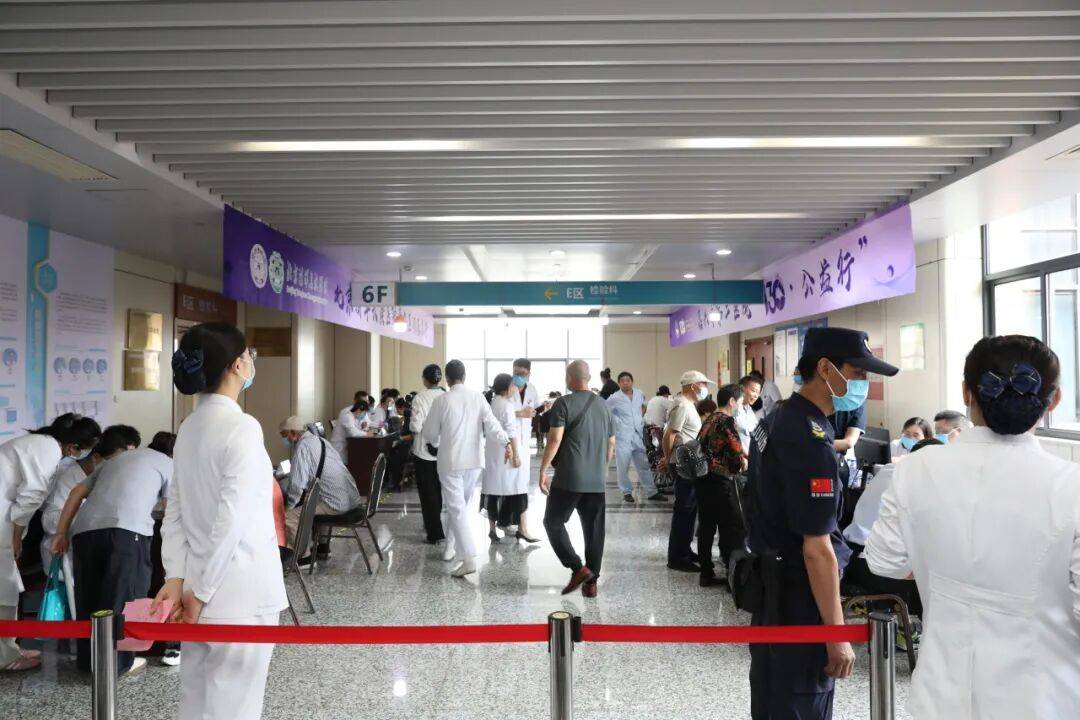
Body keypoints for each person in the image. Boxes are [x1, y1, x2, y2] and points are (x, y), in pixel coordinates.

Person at [866, 335, 1080, 718]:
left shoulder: (916, 468)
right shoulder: (1070, 486)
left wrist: (938, 559)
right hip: (1042, 698)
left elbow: (885, 562)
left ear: (966, 393)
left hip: (940, 695)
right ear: (1055, 401)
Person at [745, 326, 898, 720]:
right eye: (858, 373)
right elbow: (817, 548)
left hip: (773, 590)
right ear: (826, 369)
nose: (863, 383)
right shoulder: (809, 440)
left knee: (773, 701)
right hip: (800, 599)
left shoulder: (778, 419)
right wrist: (836, 633)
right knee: (800, 702)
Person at [153, 322, 288, 720]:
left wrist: (177, 578)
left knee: (196, 705)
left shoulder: (189, 427)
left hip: (195, 588)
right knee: (235, 708)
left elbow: (174, 512)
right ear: (236, 366)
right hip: (238, 593)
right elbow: (232, 522)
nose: (251, 362)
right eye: (248, 355)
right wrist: (200, 592)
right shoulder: (242, 427)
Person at [51, 435, 175, 676]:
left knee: (89, 596)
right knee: (124, 595)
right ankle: (117, 665)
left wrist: (61, 533)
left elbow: (76, 492)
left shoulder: (117, 459)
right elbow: (171, 510)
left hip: (84, 531)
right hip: (127, 531)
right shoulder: (168, 464)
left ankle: (89, 663)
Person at [0, 413, 100, 672]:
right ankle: (6, 655)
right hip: (2, 517)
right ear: (74, 447)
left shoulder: (41, 443)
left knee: (5, 584)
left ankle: (8, 648)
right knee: (5, 586)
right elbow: (31, 496)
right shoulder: (47, 449)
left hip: (5, 512)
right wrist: (16, 538)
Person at [422, 360, 512, 578]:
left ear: (447, 379)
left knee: (456, 508)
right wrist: (506, 442)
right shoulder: (477, 397)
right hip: (473, 461)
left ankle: (469, 558)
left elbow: (430, 433)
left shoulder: (442, 400)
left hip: (450, 461)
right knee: (460, 507)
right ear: (464, 376)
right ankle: (450, 547)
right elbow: (492, 424)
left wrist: (435, 442)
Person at [539, 360, 615, 598]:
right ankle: (591, 584)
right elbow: (611, 443)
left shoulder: (563, 403)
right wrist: (601, 468)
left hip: (569, 478)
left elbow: (554, 440)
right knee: (594, 531)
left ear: (569, 378)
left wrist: (543, 470)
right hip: (596, 480)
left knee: (553, 522)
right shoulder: (604, 405)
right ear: (588, 378)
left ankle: (577, 567)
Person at [278, 416, 363, 554]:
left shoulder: (302, 447)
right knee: (317, 501)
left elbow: (297, 486)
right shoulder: (321, 441)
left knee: (290, 517)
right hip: (352, 499)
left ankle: (300, 557)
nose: (284, 439)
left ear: (293, 433)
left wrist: (289, 507)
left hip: (338, 504)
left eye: (284, 435)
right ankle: (322, 547)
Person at [695, 384, 747, 587]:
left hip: (703, 478)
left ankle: (706, 572)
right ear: (732, 402)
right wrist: (741, 463)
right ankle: (733, 573)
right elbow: (735, 449)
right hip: (720, 479)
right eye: (740, 403)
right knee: (730, 526)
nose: (740, 407)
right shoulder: (726, 420)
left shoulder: (710, 418)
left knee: (706, 527)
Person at [664, 370, 715, 572]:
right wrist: (669, 461)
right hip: (683, 465)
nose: (705, 388)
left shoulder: (689, 405)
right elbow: (670, 435)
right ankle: (677, 558)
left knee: (690, 510)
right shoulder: (682, 405)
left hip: (690, 465)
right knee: (684, 511)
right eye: (703, 384)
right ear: (693, 386)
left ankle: (684, 549)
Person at [482, 374, 538, 543]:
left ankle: (492, 529)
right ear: (507, 388)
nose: (516, 389)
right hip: (507, 453)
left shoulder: (494, 402)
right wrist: (516, 455)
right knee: (518, 489)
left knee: (493, 490)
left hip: (494, 453)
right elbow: (511, 433)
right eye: (514, 385)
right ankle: (522, 528)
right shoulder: (506, 405)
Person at [606, 371, 666, 504]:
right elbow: (606, 411)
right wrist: (617, 422)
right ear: (619, 383)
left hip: (637, 434)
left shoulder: (639, 393)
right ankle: (626, 492)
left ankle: (652, 492)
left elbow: (643, 406)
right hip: (623, 436)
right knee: (623, 466)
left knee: (643, 464)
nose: (625, 382)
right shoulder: (614, 398)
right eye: (622, 381)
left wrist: (640, 418)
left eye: (628, 380)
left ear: (632, 382)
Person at [411, 364, 446, 545]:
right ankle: (436, 524)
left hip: (423, 452)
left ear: (425, 379)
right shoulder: (445, 395)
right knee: (438, 491)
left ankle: (434, 533)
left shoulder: (420, 397)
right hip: (443, 451)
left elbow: (416, 426)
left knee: (427, 493)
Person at [510, 358, 542, 516]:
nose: (518, 376)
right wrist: (519, 414)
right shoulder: (506, 388)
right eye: (516, 372)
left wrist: (539, 410)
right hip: (509, 438)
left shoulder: (532, 389)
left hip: (524, 438)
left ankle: (520, 515)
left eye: (522, 374)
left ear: (529, 374)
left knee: (523, 478)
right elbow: (499, 412)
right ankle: (509, 515)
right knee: (510, 477)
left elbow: (535, 409)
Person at [330, 396, 370, 461]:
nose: (364, 415)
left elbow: (355, 429)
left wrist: (362, 428)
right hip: (339, 447)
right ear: (359, 410)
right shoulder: (347, 416)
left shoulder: (353, 417)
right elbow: (353, 433)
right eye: (364, 413)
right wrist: (367, 434)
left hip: (346, 445)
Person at [734, 375, 762, 457]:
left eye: (758, 393)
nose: (756, 396)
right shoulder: (733, 409)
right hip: (739, 458)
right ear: (742, 389)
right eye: (753, 391)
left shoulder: (749, 410)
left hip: (751, 457)